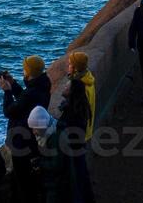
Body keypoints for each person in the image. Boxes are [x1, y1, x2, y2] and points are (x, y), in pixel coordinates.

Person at [0, 56, 52, 203]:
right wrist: (13, 84)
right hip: (32, 137)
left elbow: (9, 111)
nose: (23, 71)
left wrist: (7, 91)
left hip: (22, 141)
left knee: (23, 180)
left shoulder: (32, 92)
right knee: (29, 179)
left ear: (29, 72)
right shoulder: (42, 84)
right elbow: (24, 99)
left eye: (25, 69)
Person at [58, 52, 97, 203]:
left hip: (78, 134)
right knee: (81, 169)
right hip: (84, 132)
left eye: (69, 64)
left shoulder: (81, 87)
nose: (67, 66)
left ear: (75, 67)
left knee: (77, 172)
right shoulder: (88, 79)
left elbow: (78, 111)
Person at [27, 107, 69, 203]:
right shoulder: (51, 131)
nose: (33, 132)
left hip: (57, 186)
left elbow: (57, 165)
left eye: (35, 128)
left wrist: (40, 163)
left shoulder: (54, 139)